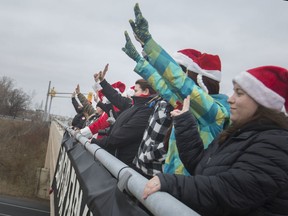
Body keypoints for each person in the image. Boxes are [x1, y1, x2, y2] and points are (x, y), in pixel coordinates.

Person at [143, 66, 288, 216]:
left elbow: (231, 192)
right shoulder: (237, 133)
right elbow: (200, 165)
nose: (230, 99)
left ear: (264, 101)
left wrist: (172, 183)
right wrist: (184, 122)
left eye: (239, 93)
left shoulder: (276, 143)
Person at [122, 3, 230, 175]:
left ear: (200, 82)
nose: (183, 79)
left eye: (188, 76)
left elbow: (180, 82)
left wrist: (149, 43)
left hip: (183, 192)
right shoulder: (188, 105)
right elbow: (163, 86)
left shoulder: (215, 114)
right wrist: (140, 60)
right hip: (170, 185)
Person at [91, 64, 157, 167]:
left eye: (136, 91)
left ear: (146, 91)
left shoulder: (145, 112)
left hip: (123, 165)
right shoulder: (133, 106)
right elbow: (115, 96)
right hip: (116, 159)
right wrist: (102, 81)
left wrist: (99, 142)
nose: (133, 94)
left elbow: (122, 135)